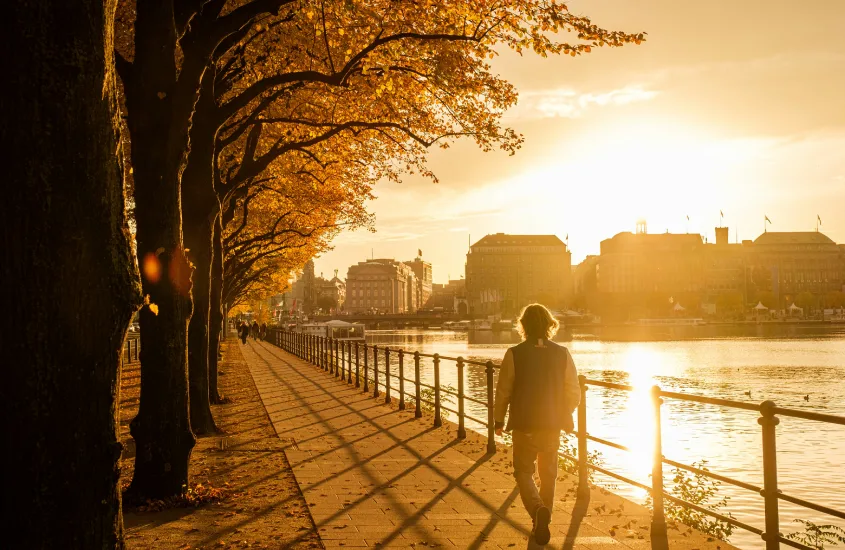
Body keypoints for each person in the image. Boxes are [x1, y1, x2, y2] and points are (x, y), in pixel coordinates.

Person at [494, 303, 580, 546]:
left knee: (523, 472)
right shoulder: (562, 353)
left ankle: (537, 511)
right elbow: (573, 391)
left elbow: (503, 392)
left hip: (524, 423)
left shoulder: (514, 353)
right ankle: (544, 520)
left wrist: (498, 420)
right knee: (549, 473)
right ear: (549, 325)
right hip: (552, 423)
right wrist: (564, 411)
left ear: (524, 326)